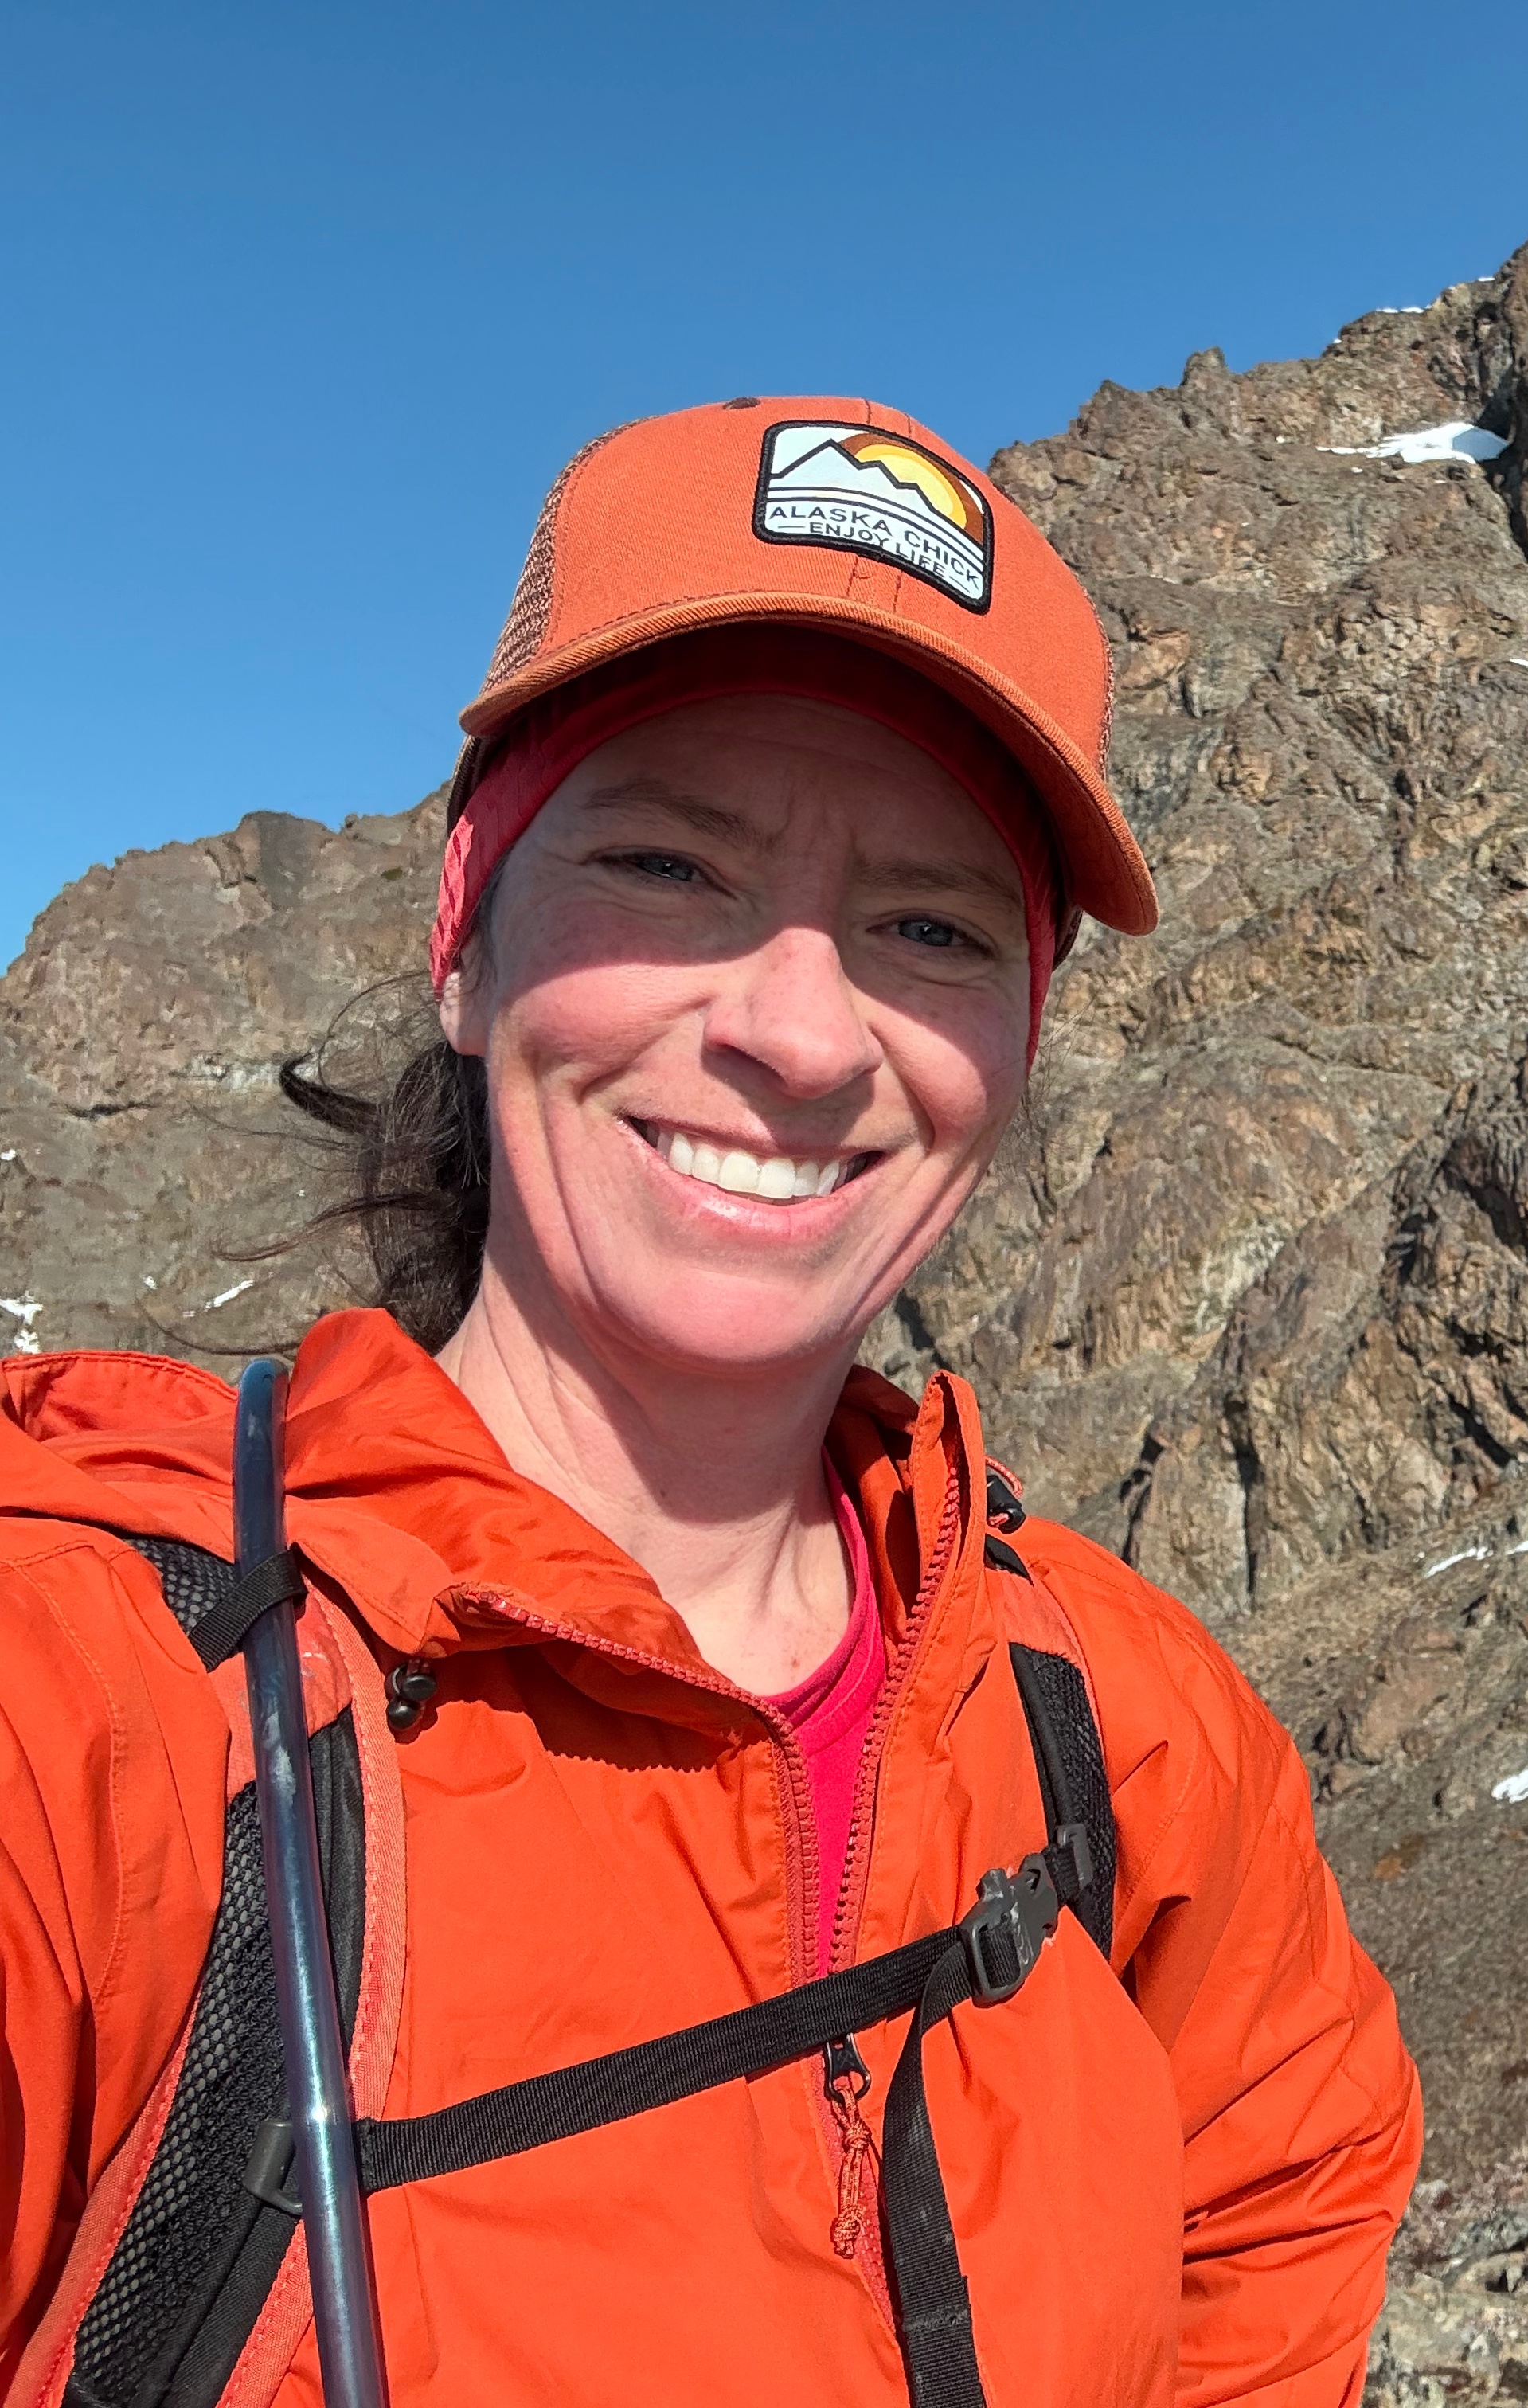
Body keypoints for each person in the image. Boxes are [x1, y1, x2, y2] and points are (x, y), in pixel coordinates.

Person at [0, 398, 1422, 2406]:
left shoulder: (1122, 1727)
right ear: (465, 942)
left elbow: (1287, 2189)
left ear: (1017, 1050)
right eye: (669, 864)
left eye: (930, 927)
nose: (801, 1032)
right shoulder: (96, 1692)